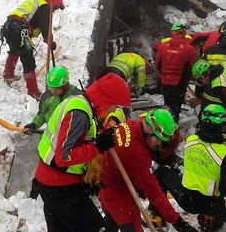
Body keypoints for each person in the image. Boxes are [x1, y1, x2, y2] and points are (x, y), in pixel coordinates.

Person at [35, 71, 131, 232]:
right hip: (59, 188)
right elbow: (63, 157)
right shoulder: (79, 114)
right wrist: (98, 146)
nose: (113, 110)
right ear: (106, 100)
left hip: (54, 183)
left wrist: (85, 177)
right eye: (114, 105)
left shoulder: (80, 104)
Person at [99, 109, 197, 232]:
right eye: (158, 139)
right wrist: (178, 222)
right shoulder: (137, 154)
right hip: (118, 195)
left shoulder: (131, 125)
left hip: (109, 182)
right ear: (149, 131)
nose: (159, 144)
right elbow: (153, 193)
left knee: (111, 223)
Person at [154, 104, 226, 231]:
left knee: (162, 171)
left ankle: (157, 215)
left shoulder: (191, 140)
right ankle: (210, 218)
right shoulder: (225, 154)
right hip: (209, 204)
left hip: (186, 198)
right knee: (221, 213)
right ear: (222, 126)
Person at [1, 0, 64, 97]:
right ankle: (33, 91)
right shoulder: (45, 7)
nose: (54, 11)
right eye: (55, 8)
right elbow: (46, 29)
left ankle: (8, 74)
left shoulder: (35, 1)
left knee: (14, 51)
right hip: (20, 29)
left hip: (9, 26)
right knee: (28, 59)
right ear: (53, 3)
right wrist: (50, 42)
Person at [155, 30, 198, 121]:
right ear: (184, 36)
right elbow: (194, 67)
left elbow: (157, 63)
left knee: (167, 104)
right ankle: (173, 126)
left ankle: (164, 123)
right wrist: (189, 78)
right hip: (180, 83)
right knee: (176, 106)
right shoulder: (189, 49)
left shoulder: (163, 46)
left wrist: (163, 74)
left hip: (165, 81)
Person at [23, 66, 80, 133]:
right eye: (51, 88)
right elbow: (42, 115)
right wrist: (34, 124)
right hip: (51, 134)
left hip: (70, 134)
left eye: (57, 89)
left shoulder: (77, 97)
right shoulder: (47, 96)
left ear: (66, 85)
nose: (53, 92)